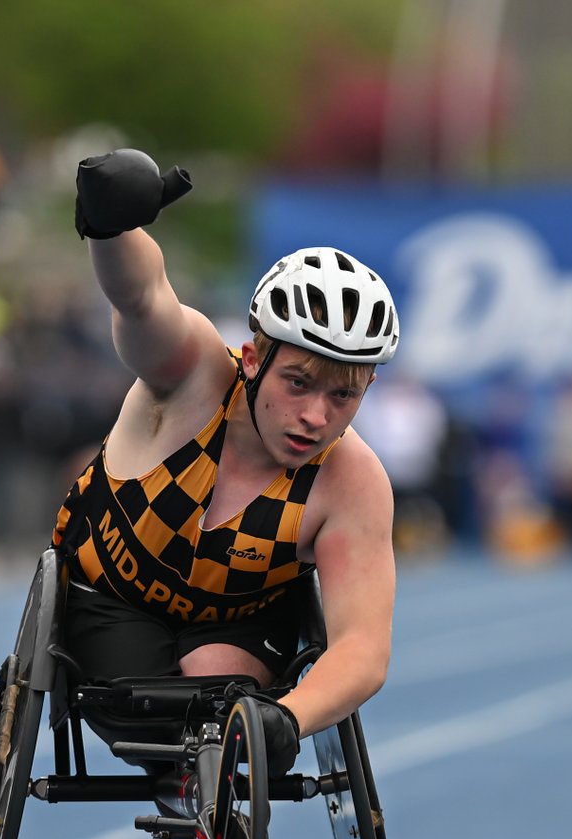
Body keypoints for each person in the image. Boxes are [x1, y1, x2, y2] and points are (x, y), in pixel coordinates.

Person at [52, 149, 399, 776]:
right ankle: (182, 771)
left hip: (240, 621)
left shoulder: (352, 482)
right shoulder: (191, 376)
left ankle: (207, 779)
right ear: (251, 358)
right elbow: (143, 299)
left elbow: (364, 646)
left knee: (215, 706)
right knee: (155, 712)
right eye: (298, 382)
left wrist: (289, 716)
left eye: (343, 395)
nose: (317, 416)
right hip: (112, 597)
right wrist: (108, 228)